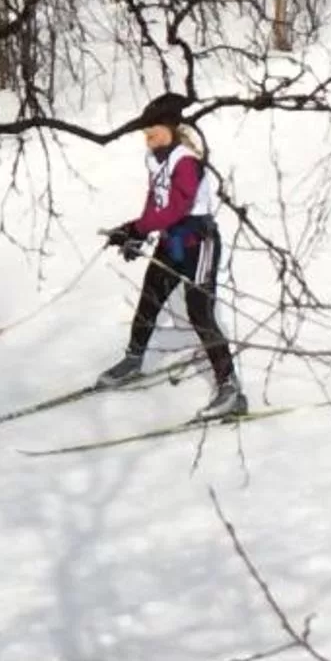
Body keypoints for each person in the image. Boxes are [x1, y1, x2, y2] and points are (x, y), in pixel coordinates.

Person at [94, 92, 247, 421]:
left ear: (171, 128)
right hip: (170, 240)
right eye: (145, 135)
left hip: (197, 243)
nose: (148, 141)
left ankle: (231, 389)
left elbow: (177, 207)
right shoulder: (156, 159)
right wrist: (137, 232)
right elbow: (156, 204)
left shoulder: (186, 161)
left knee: (200, 313)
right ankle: (133, 360)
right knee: (150, 297)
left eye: (153, 133)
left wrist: (137, 228)